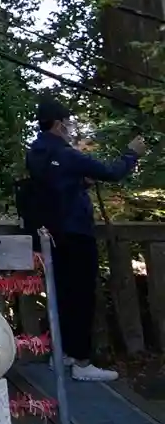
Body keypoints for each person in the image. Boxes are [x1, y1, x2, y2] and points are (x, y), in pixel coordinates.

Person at [23, 95, 144, 383]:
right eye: (67, 122)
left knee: (63, 295)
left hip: (51, 235)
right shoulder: (67, 155)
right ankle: (81, 361)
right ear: (57, 124)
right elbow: (112, 172)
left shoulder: (35, 154)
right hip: (76, 232)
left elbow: (54, 187)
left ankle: (63, 354)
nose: (70, 127)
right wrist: (132, 154)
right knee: (82, 297)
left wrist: (78, 182)